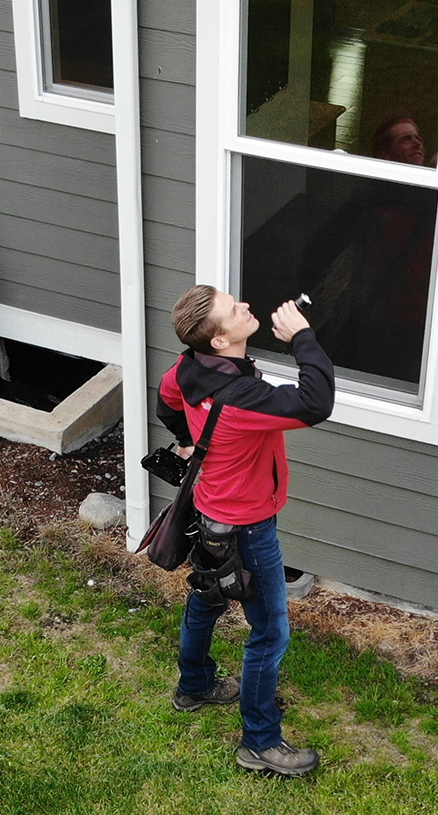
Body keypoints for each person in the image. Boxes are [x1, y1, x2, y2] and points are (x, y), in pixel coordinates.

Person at [156, 285, 335, 776]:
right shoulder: (241, 399)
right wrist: (301, 338)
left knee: (207, 598)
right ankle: (259, 741)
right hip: (248, 527)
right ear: (218, 341)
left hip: (208, 511)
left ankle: (193, 686)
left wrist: (187, 439)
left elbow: (167, 399)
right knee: (270, 632)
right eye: (234, 310)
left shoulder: (189, 366)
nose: (246, 307)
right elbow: (316, 402)